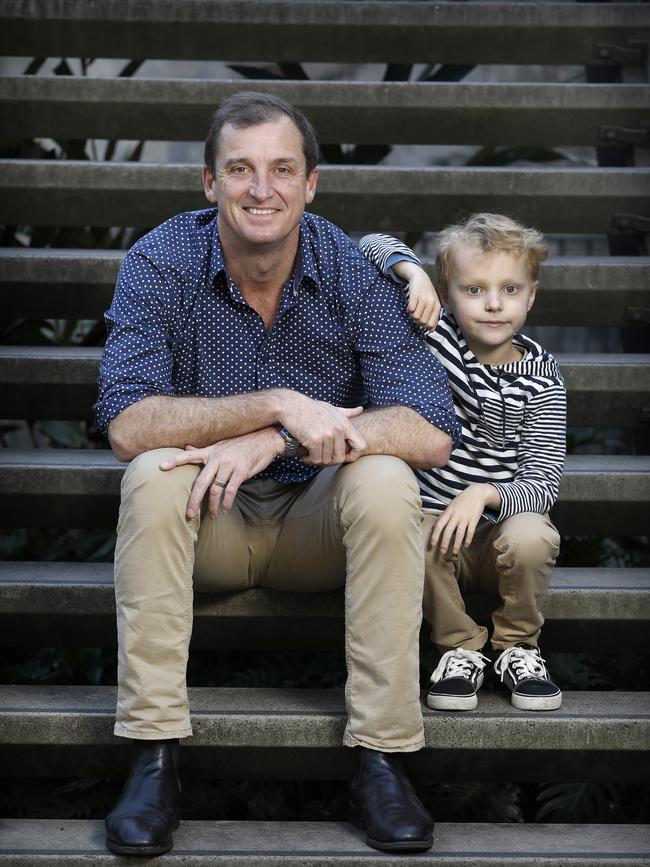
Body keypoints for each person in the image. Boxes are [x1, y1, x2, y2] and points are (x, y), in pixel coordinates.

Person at [94, 91, 460, 856]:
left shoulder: (350, 271)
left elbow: (428, 429)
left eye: (282, 169)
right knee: (152, 473)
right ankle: (155, 755)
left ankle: (382, 757)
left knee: (388, 479)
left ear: (311, 183)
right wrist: (278, 405)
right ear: (208, 183)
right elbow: (128, 422)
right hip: (207, 520)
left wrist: (271, 440)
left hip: (317, 528)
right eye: (241, 169)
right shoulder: (160, 259)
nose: (262, 189)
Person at [359, 214, 565, 714]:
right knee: (411, 532)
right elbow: (365, 245)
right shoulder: (434, 338)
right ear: (448, 297)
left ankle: (518, 646)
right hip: (437, 531)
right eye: (474, 289)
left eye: (509, 288)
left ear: (531, 295)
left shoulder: (542, 379)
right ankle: (459, 648)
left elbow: (543, 482)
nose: (494, 303)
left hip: (500, 537)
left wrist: (484, 494)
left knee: (534, 535)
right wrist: (413, 275)